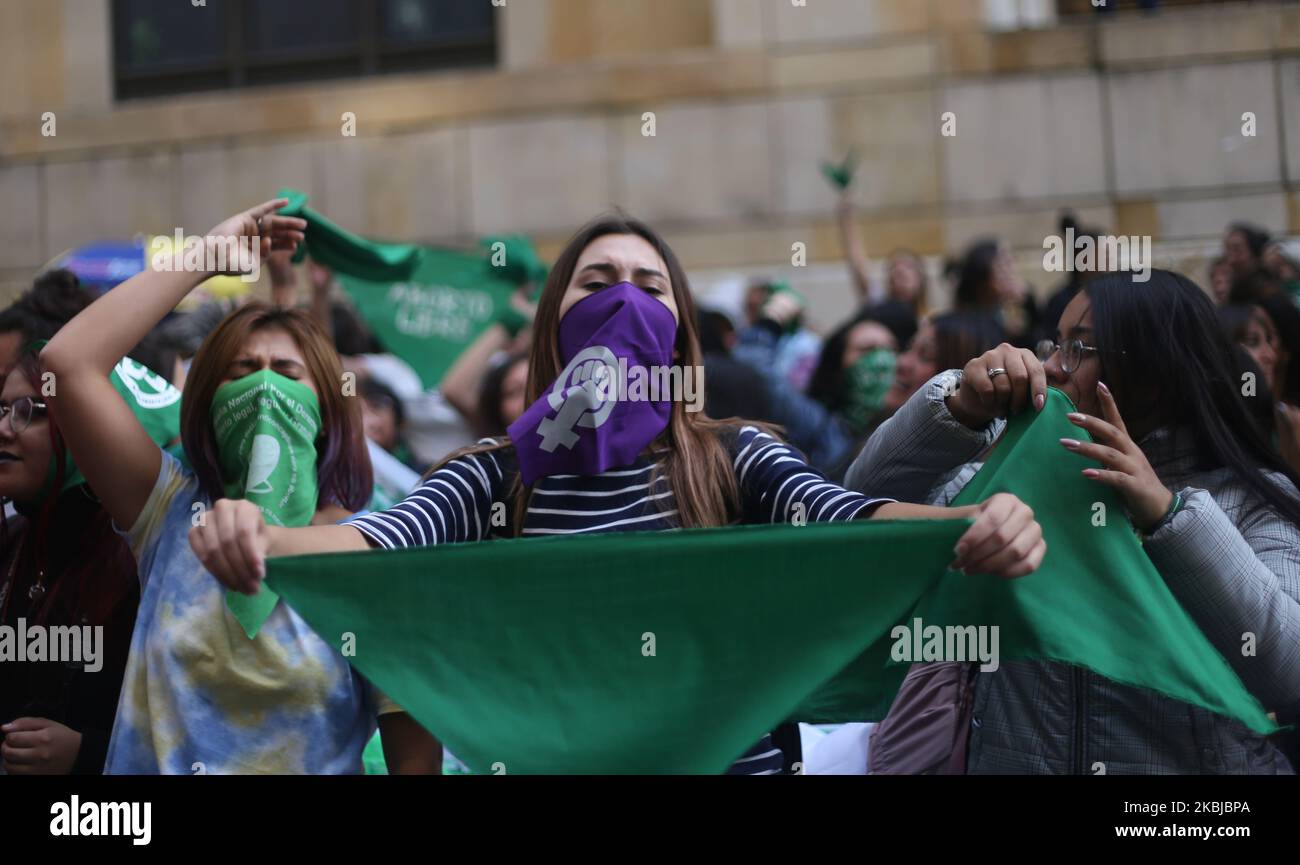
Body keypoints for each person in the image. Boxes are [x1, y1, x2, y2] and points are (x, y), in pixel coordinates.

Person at [190, 212, 1047, 775]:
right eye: (597, 285)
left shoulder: (736, 459)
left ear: (679, 330)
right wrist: (261, 538)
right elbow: (379, 544)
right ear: (555, 323)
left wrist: (975, 521)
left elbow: (852, 522)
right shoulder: (497, 477)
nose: (623, 302)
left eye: (648, 286)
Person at [42, 199, 440, 774]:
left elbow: (416, 768)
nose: (265, 390)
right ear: (205, 404)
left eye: (288, 374)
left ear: (326, 411)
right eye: (241, 372)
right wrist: (206, 256)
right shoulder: (166, 510)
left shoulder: (376, 560)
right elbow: (66, 363)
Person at [847, 269, 1300, 774]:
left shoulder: (1247, 500)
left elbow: (1289, 672)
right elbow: (859, 510)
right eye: (1054, 345)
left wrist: (1168, 516)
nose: (1051, 368)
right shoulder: (1009, 489)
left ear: (1157, 370)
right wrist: (960, 408)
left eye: (1080, 349)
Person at [0, 347, 139, 774]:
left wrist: (88, 754)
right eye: (2, 409)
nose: (5, 429)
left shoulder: (142, 555)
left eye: (31, 411)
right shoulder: (15, 539)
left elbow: (193, 730)